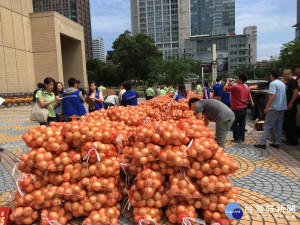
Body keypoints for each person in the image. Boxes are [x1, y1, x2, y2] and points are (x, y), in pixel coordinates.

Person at [254, 69, 287, 149]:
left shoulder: (273, 84)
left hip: (274, 108)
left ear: (271, 75)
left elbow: (272, 96)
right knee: (279, 126)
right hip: (282, 107)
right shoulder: (282, 84)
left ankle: (262, 143)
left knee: (267, 126)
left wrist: (266, 107)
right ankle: (276, 142)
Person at [224, 75, 254, 143]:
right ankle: (242, 138)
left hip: (236, 108)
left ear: (240, 80)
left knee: (233, 123)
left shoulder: (236, 87)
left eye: (237, 78)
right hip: (244, 108)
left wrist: (228, 81)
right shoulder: (246, 88)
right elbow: (249, 98)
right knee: (242, 123)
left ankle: (237, 138)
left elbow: (225, 88)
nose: (236, 79)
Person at [283, 69, 299, 146]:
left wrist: (290, 103)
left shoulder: (293, 81)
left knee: (291, 124)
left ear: (290, 74)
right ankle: (288, 139)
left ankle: (293, 141)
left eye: (286, 74)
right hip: (287, 106)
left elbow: (295, 92)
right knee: (287, 123)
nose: (284, 76)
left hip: (291, 106)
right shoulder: (288, 82)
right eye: (283, 74)